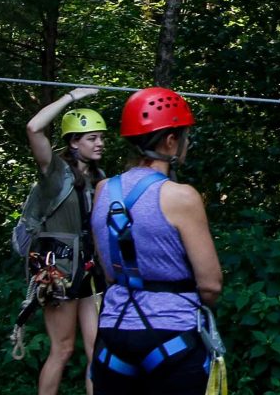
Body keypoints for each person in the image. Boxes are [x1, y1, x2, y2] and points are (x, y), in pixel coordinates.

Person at [87, 88, 225, 394]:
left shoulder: (104, 191)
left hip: (115, 334)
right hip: (173, 335)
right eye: (184, 136)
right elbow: (211, 284)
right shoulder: (181, 196)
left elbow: (110, 272)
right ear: (171, 141)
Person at [18, 87, 109, 395]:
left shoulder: (100, 178)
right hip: (59, 272)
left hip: (89, 272)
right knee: (63, 349)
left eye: (101, 137)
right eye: (92, 138)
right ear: (73, 142)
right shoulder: (55, 173)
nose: (100, 143)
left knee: (98, 349)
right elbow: (33, 128)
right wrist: (72, 97)